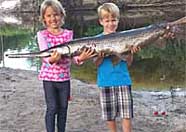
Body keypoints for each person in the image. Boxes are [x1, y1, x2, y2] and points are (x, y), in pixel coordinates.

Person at [37, 0, 93, 132]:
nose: (53, 18)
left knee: (63, 108)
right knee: (52, 108)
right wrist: (52, 59)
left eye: (56, 14)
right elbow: (45, 56)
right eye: (49, 15)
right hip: (49, 79)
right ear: (44, 18)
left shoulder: (68, 34)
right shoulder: (42, 35)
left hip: (65, 79)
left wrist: (81, 58)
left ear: (62, 15)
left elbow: (73, 57)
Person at [94, 3, 140, 132]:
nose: (110, 24)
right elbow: (97, 64)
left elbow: (128, 63)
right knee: (110, 116)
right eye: (107, 20)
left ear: (118, 21)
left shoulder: (125, 38)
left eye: (113, 20)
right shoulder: (96, 40)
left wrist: (131, 52)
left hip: (123, 80)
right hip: (105, 82)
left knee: (126, 115)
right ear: (101, 22)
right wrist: (100, 56)